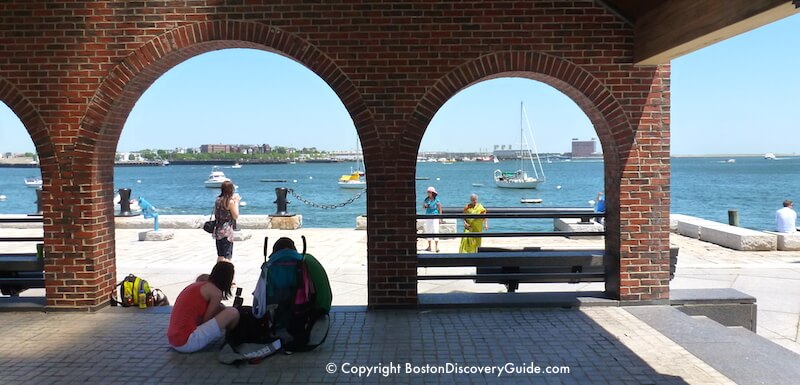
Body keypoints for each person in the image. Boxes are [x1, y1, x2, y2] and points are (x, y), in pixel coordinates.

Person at [167, 261, 239, 353]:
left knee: (222, 308)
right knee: (232, 312)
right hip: (187, 342)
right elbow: (206, 320)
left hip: (174, 340)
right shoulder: (216, 293)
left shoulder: (201, 285)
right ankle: (232, 338)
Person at [213, 180, 240, 262]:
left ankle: (218, 272)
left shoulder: (218, 200)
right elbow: (235, 216)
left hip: (218, 229)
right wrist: (236, 203)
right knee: (227, 255)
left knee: (220, 255)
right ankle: (226, 272)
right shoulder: (230, 202)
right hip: (227, 231)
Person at [422, 186, 443, 252]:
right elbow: (423, 207)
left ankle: (436, 247)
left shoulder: (436, 200)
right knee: (428, 230)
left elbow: (440, 208)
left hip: (435, 216)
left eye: (429, 192)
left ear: (432, 193)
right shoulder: (426, 199)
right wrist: (425, 206)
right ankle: (429, 246)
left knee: (435, 229)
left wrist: (440, 217)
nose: (428, 193)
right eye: (427, 192)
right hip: (428, 216)